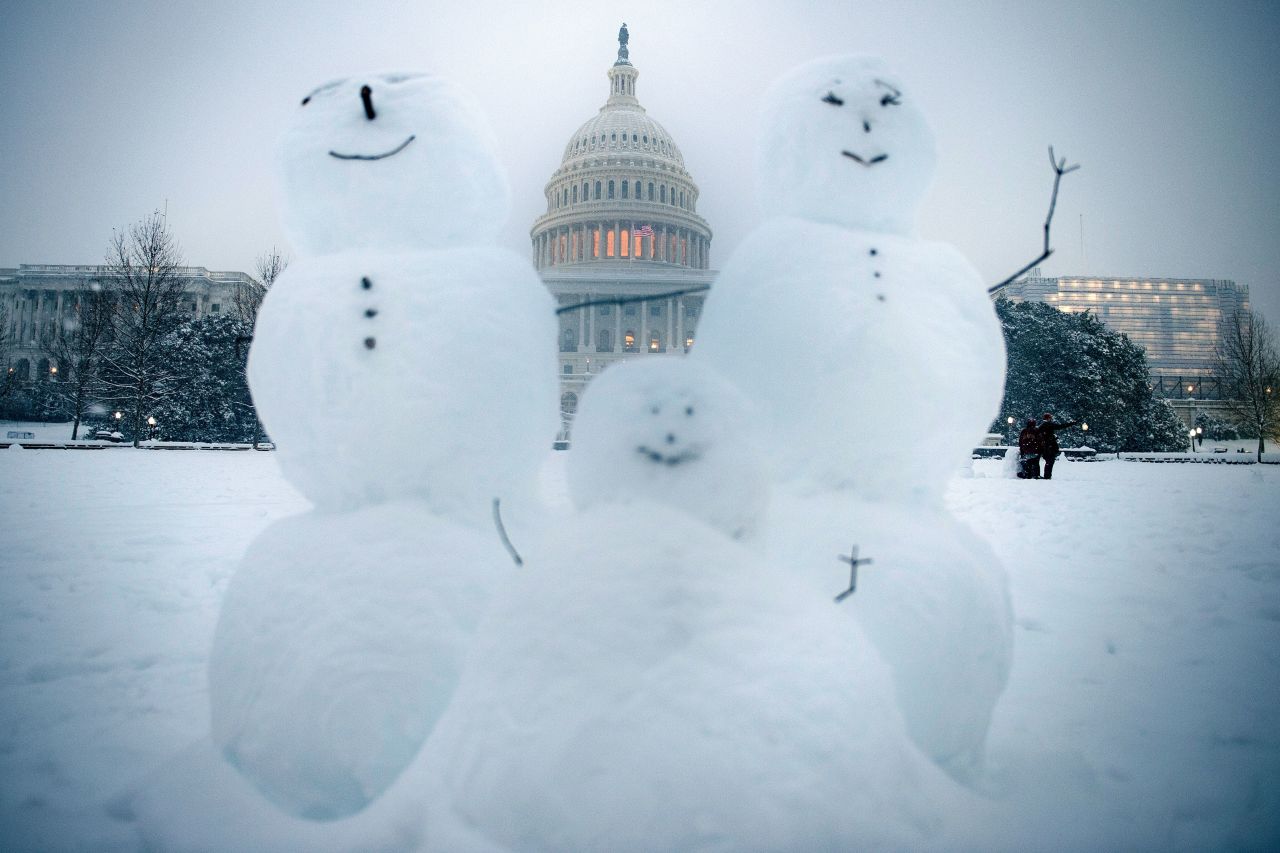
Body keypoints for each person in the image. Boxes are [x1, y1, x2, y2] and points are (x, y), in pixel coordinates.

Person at [1036, 412, 1078, 480]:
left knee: (1048, 461)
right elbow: (1060, 426)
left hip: (1044, 447)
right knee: (1050, 461)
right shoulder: (1048, 424)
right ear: (1049, 418)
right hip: (1049, 447)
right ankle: (1047, 476)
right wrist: (1071, 423)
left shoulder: (1041, 426)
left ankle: (1045, 475)